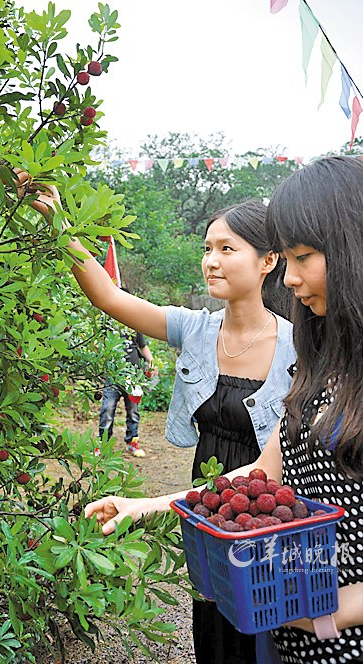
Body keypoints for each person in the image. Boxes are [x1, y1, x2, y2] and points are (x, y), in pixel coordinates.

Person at [85, 156, 363, 664]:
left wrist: (323, 613)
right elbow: (261, 473)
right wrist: (143, 507)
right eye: (206, 248)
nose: (294, 279)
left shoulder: (296, 347)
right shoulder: (323, 363)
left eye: (303, 257)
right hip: (280, 604)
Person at [15, 170, 296, 664]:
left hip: (267, 500)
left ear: (269, 260)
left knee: (270, 626)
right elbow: (107, 296)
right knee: (211, 614)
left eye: (227, 249)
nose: (211, 261)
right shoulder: (195, 329)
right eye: (207, 248)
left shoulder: (300, 345)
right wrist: (59, 222)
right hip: (206, 494)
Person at [99, 318, 155, 457]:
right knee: (107, 409)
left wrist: (152, 363)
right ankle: (103, 444)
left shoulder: (133, 324)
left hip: (133, 377)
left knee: (133, 412)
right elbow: (99, 344)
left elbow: (143, 346)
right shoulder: (108, 324)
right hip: (113, 376)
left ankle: (132, 442)